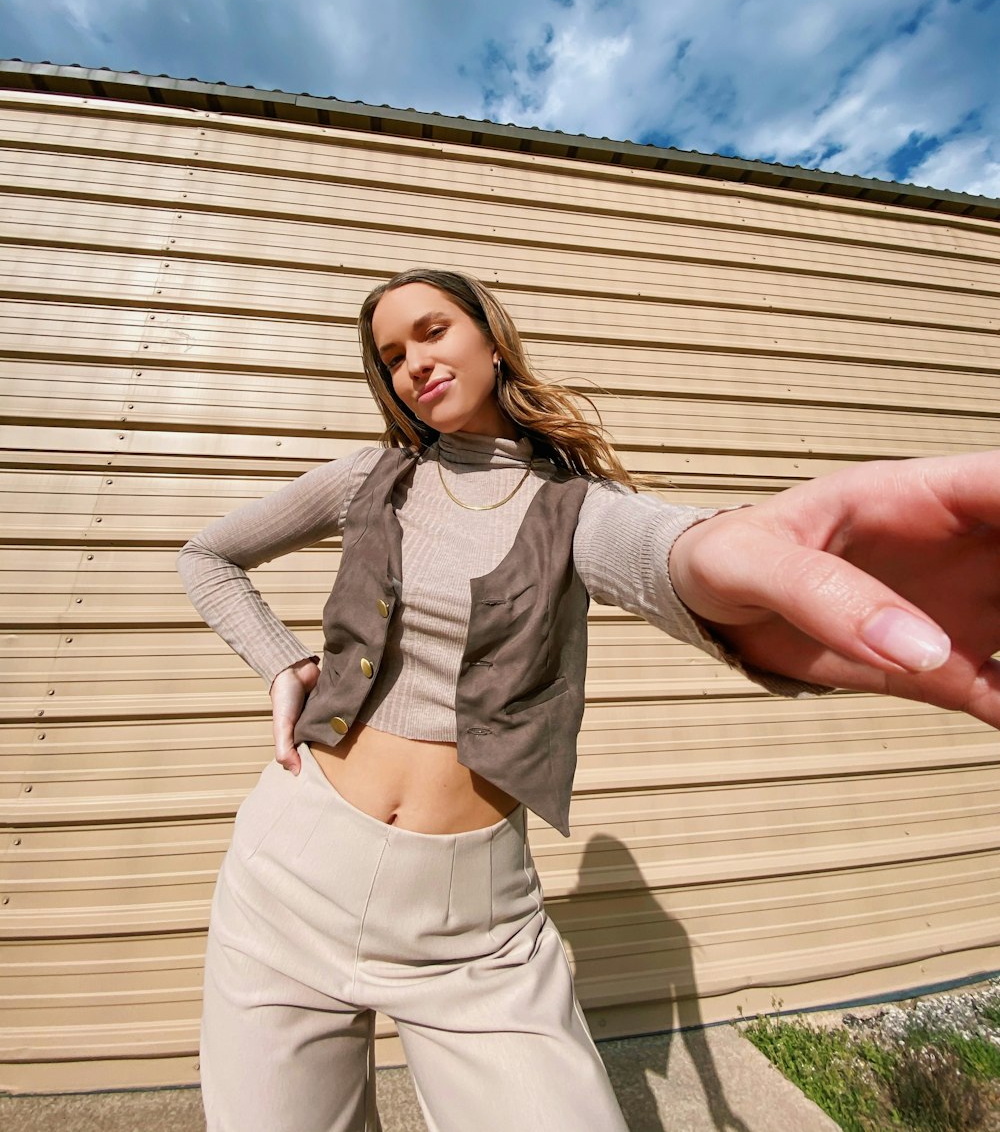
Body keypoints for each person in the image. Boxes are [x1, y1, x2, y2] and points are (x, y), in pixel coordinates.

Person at [178, 267, 1000, 1132]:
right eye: (390, 356)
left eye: (432, 331)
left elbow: (656, 549)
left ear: (492, 342)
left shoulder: (575, 508)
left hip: (471, 925)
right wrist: (281, 662)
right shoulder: (367, 480)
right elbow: (208, 557)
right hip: (290, 872)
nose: (413, 363)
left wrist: (728, 558)